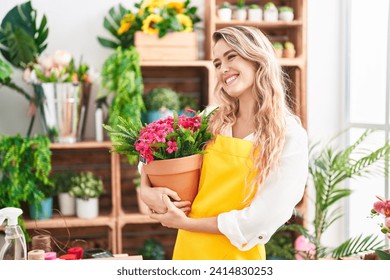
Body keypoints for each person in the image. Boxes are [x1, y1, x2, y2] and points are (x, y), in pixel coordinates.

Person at [139, 26, 308, 260]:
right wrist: (145, 188)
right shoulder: (212, 119)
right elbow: (153, 149)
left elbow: (262, 218)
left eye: (231, 56)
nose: (223, 69)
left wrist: (188, 223)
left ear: (257, 58)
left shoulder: (288, 134)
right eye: (217, 63)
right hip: (187, 254)